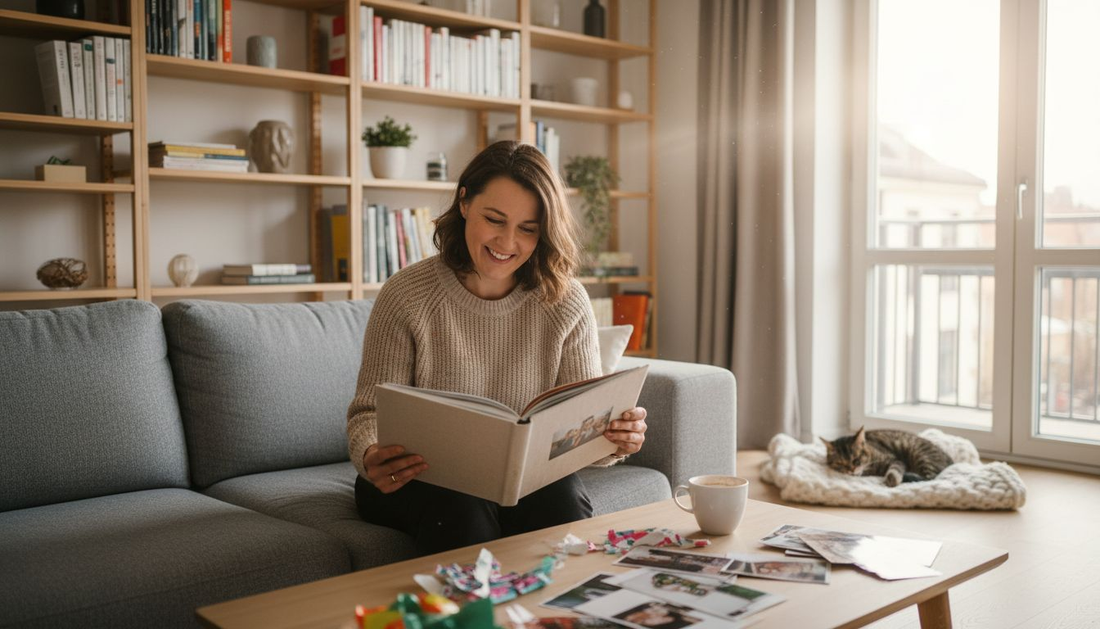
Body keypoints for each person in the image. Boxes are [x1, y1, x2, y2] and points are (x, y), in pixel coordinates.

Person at [347, 140, 648, 554]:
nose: (508, 242)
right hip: (418, 480)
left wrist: (614, 438)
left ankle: (560, 615)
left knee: (563, 502)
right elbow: (368, 413)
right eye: (495, 219)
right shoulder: (406, 295)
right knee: (463, 508)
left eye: (528, 229)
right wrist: (371, 453)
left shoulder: (565, 301)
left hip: (524, 478)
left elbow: (582, 428)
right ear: (465, 202)